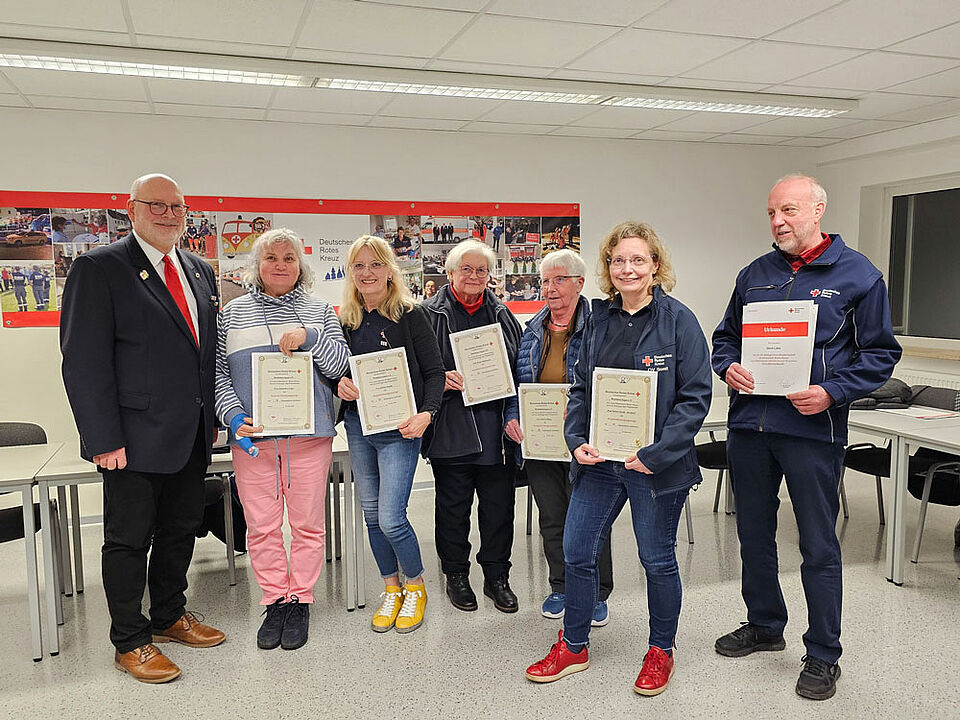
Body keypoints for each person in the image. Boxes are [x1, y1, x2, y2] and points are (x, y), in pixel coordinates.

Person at [711, 174, 901, 701]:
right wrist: (727, 366)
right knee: (753, 534)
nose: (778, 221)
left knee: (817, 544)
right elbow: (725, 338)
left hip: (812, 430)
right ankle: (764, 625)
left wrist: (832, 392)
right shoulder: (755, 273)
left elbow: (880, 354)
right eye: (772, 212)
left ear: (818, 210)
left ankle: (823, 653)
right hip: (751, 426)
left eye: (789, 211)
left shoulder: (859, 274)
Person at [525, 222, 711, 696]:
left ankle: (661, 650)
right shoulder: (598, 320)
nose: (627, 268)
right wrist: (575, 440)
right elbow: (581, 388)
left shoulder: (679, 321)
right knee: (576, 550)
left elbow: (695, 397)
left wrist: (656, 453)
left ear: (655, 265)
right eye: (618, 260)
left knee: (656, 559)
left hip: (655, 466)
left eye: (638, 259)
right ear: (608, 267)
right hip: (600, 463)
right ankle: (573, 645)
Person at [60, 173, 225, 684]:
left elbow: (202, 353)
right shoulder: (99, 268)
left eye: (178, 207)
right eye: (157, 205)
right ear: (131, 210)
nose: (169, 214)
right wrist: (103, 438)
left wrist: (211, 419)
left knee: (181, 529)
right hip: (130, 440)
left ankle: (170, 614)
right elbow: (83, 362)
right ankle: (130, 640)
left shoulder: (198, 268)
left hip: (190, 434)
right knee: (129, 540)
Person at [215, 228, 349, 651]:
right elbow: (218, 374)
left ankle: (301, 599)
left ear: (300, 265)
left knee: (307, 525)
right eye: (271, 258)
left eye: (289, 258)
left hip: (309, 438)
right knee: (261, 527)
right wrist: (233, 415)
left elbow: (341, 366)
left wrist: (311, 337)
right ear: (257, 265)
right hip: (254, 439)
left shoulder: (319, 310)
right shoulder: (232, 314)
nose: (280, 264)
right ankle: (275, 599)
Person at [336, 235, 444, 634]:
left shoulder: (411, 315)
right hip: (359, 427)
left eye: (376, 264)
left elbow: (434, 373)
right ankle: (392, 589)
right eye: (359, 266)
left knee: (391, 518)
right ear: (351, 272)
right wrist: (338, 385)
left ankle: (415, 585)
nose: (368, 273)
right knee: (371, 516)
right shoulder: (346, 320)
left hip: (400, 430)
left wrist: (427, 414)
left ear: (389, 270)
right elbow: (336, 372)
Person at [503, 250, 613, 625]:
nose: (550, 288)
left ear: (579, 284)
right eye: (545, 281)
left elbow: (608, 382)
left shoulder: (600, 324)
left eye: (559, 280)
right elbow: (519, 383)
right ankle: (561, 587)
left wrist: (585, 413)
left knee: (591, 519)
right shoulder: (532, 330)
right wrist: (513, 416)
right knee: (552, 517)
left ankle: (596, 593)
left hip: (585, 440)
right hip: (542, 443)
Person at [422, 240, 522, 613]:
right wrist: (438, 381)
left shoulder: (503, 314)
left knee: (499, 511)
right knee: (453, 510)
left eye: (481, 270)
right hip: (451, 431)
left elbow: (519, 371)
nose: (474, 276)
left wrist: (514, 415)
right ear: (450, 273)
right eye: (467, 269)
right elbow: (413, 372)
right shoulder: (428, 315)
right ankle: (456, 575)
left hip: (495, 433)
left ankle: (497, 577)